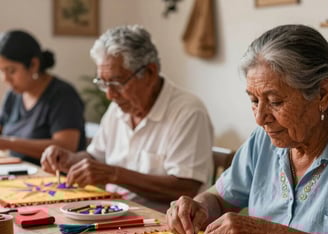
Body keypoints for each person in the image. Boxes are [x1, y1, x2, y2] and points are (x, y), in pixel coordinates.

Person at [166, 24, 328, 234]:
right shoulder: (265, 139)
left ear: (322, 93)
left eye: (275, 102)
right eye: (254, 100)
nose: (260, 118)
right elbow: (220, 199)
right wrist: (196, 207)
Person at [41, 25, 213, 211]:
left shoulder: (188, 111)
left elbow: (185, 188)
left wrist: (115, 175)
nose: (109, 94)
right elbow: (96, 156)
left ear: (149, 73)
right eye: (103, 83)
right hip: (115, 214)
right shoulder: (119, 108)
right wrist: (69, 159)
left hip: (162, 225)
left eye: (116, 82)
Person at [0, 30, 86, 165]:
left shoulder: (63, 95)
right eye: (1, 71)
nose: (5, 79)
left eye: (11, 71)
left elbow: (66, 146)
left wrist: (9, 143)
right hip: (19, 171)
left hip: (53, 178)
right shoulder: (13, 95)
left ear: (34, 65)